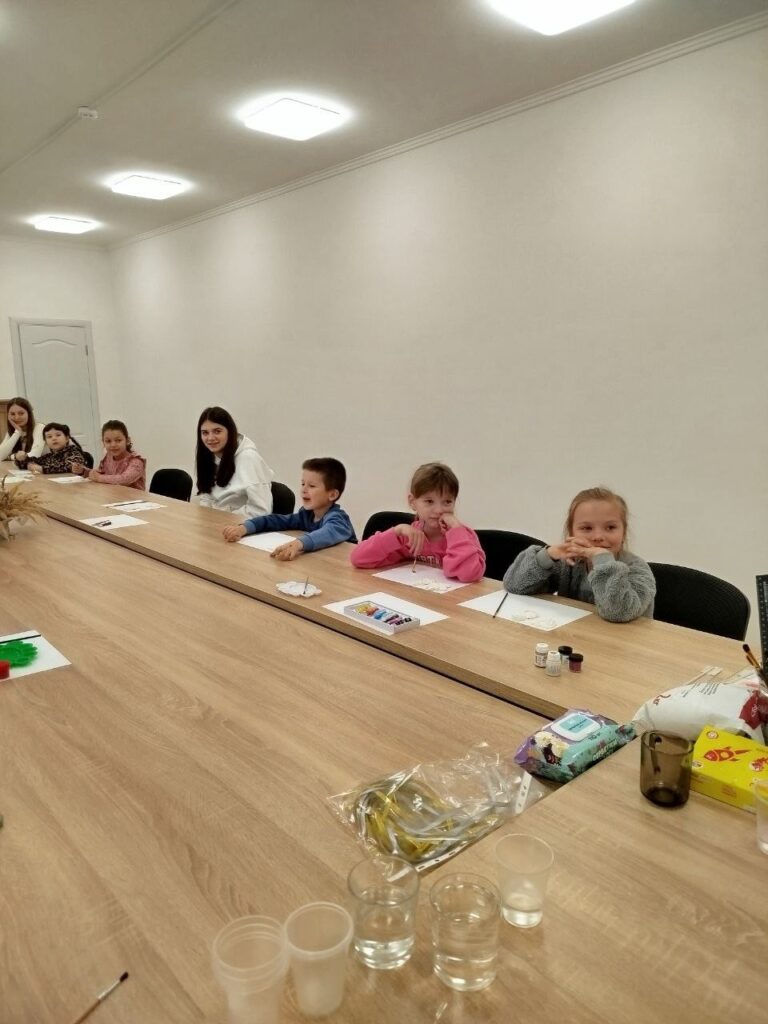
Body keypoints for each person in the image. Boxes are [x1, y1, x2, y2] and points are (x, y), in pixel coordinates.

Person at [503, 486, 655, 622]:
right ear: (572, 533)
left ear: (623, 532)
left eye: (610, 527)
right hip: (577, 636)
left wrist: (603, 561)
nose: (598, 536)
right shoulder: (568, 563)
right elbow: (515, 586)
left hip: (624, 642)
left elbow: (618, 613)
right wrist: (547, 556)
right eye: (587, 528)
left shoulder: (637, 568)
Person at [350, 462, 485, 582]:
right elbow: (358, 558)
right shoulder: (409, 536)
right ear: (412, 502)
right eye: (429, 501)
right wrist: (396, 532)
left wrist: (455, 528)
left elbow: (469, 574)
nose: (439, 510)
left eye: (447, 502)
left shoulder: (463, 536)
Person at [223, 457, 356, 560]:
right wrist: (245, 527)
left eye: (312, 486)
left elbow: (328, 532)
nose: (304, 490)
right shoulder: (307, 515)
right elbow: (277, 520)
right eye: (303, 484)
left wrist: (298, 544)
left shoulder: (339, 519)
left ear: (332, 495)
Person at [196, 407, 273, 519]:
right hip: (217, 521)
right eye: (205, 433)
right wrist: (206, 518)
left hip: (239, 524)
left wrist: (222, 517)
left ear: (230, 431)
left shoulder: (249, 458)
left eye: (217, 431)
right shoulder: (209, 455)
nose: (210, 438)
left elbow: (261, 510)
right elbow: (206, 495)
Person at [73, 420, 146, 490]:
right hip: (113, 495)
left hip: (135, 498)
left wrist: (98, 478)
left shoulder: (136, 461)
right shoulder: (108, 458)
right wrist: (83, 471)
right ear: (103, 442)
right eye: (108, 441)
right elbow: (99, 474)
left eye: (118, 440)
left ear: (127, 440)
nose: (113, 445)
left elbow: (124, 479)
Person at [0, 397, 45, 464]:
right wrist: (18, 432)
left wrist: (12, 456)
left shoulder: (39, 427)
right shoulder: (14, 431)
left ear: (29, 413)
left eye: (21, 413)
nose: (17, 417)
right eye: (12, 414)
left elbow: (35, 455)